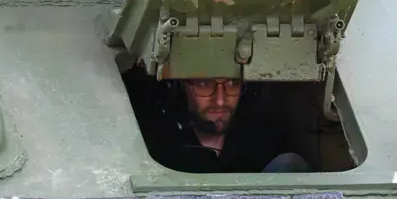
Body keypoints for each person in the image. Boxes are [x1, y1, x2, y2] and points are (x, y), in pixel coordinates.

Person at [128, 71, 312, 173]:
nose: (220, 101)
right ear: (181, 86)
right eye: (204, 84)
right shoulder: (156, 146)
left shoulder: (267, 140)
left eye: (232, 84)